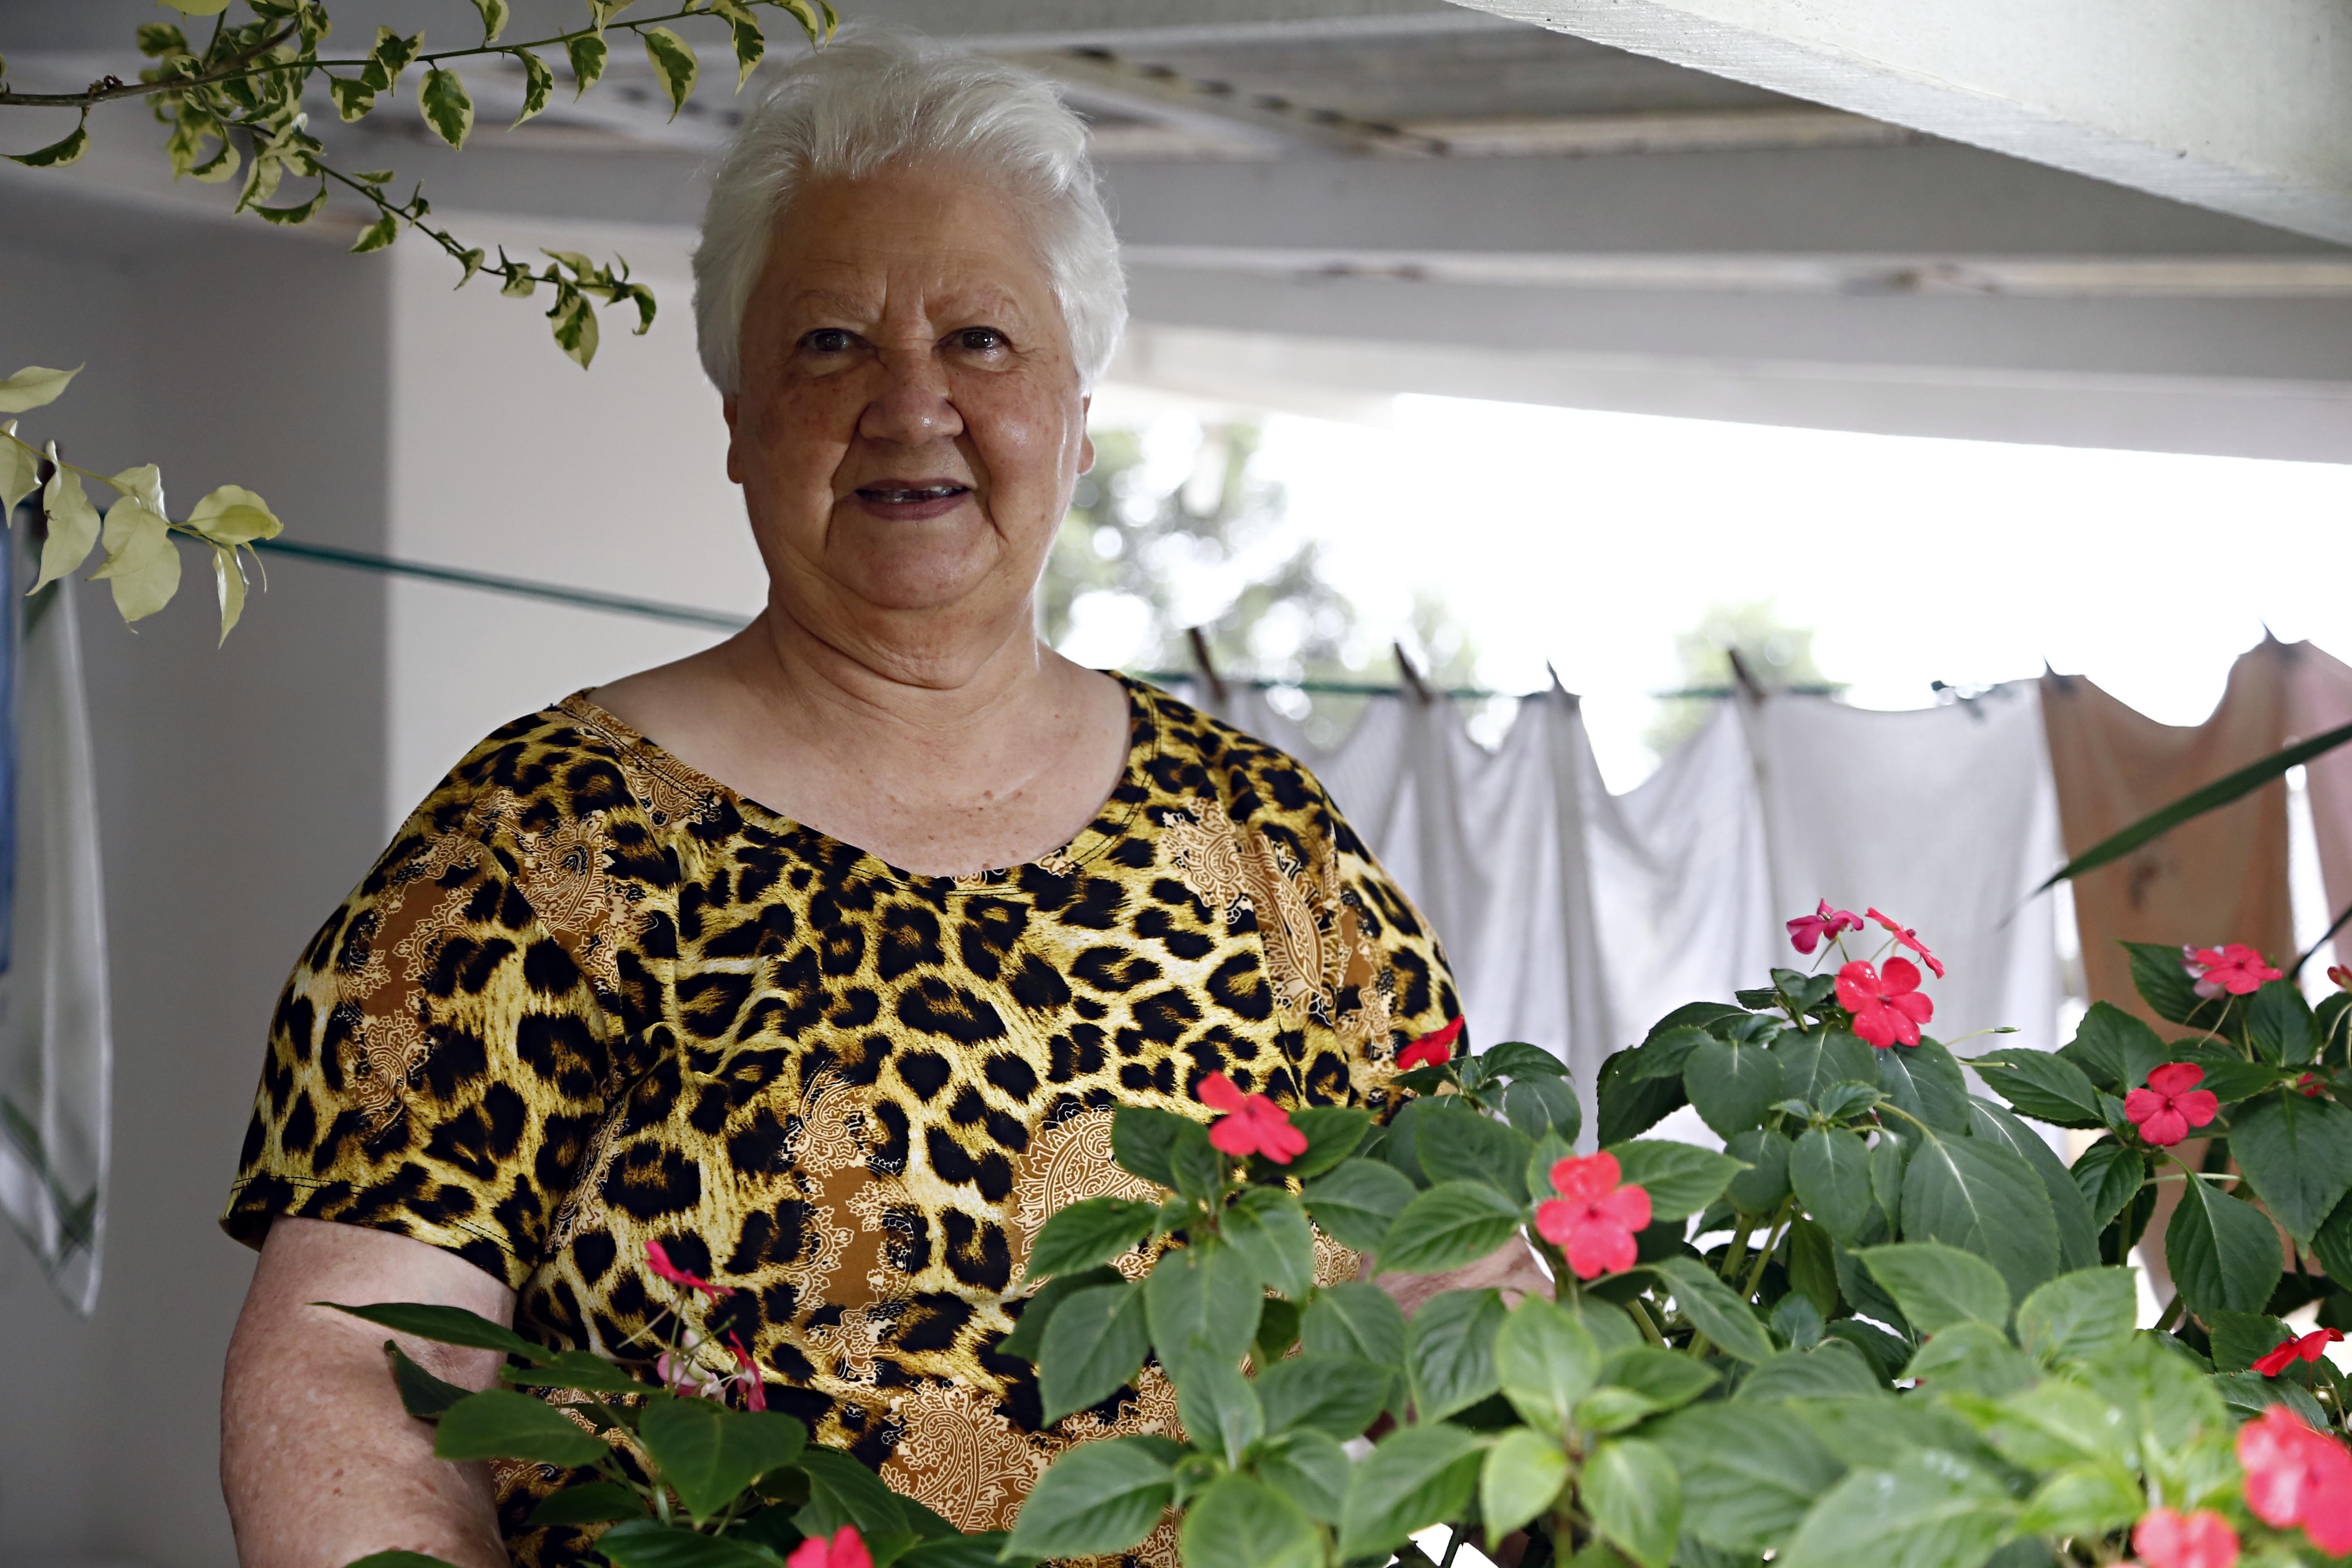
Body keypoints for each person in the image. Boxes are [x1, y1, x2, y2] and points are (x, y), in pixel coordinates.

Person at [218, 32, 1535, 1568]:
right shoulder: (535, 842)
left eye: (982, 340)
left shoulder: (1261, 838)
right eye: (831, 342)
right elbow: (357, 1369)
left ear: (1080, 415)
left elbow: (1459, 1279)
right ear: (737, 418)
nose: (912, 404)